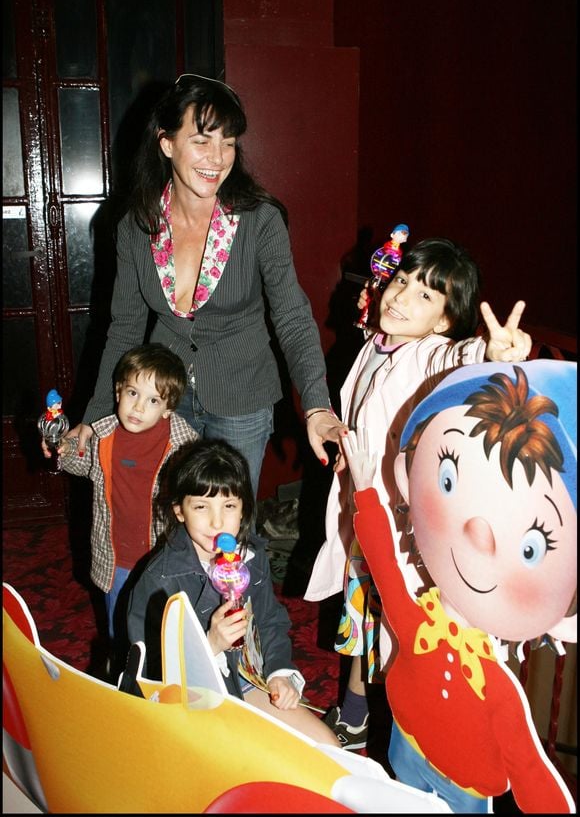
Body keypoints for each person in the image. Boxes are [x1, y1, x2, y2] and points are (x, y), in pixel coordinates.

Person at [64, 73, 347, 499]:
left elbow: (292, 316)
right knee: (171, 515)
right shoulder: (136, 227)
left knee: (228, 522)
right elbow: (124, 329)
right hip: (163, 396)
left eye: (228, 142)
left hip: (242, 397)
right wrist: (96, 415)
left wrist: (316, 404)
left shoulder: (259, 221)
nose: (217, 157)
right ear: (166, 143)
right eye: (201, 140)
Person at [304, 238, 532, 749]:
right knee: (366, 616)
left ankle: (406, 732)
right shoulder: (376, 344)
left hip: (402, 529)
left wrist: (495, 353)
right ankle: (356, 713)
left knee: (400, 627)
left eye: (425, 296)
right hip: (364, 516)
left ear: (445, 321)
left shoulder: (430, 354)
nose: (402, 296)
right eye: (402, 281)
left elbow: (460, 358)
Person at [342, 360, 576, 812]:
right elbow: (384, 566)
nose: (478, 534)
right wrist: (365, 491)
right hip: (404, 748)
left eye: (531, 546)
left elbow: (529, 770)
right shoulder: (416, 624)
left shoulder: (498, 690)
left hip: (467, 791)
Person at [126, 437, 342, 747]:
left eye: (228, 506)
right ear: (179, 511)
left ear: (243, 510)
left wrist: (279, 673)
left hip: (244, 679)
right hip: (190, 698)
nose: (217, 522)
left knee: (326, 748)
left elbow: (270, 620)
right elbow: (153, 673)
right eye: (201, 507)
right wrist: (210, 644)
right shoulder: (159, 580)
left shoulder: (250, 557)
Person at [51, 343, 198, 648]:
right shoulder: (103, 436)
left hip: (163, 557)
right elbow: (83, 462)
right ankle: (122, 670)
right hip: (116, 556)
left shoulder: (185, 447)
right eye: (133, 393)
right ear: (118, 392)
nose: (138, 407)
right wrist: (62, 449)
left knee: (164, 631)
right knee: (119, 630)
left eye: (153, 400)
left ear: (168, 408)